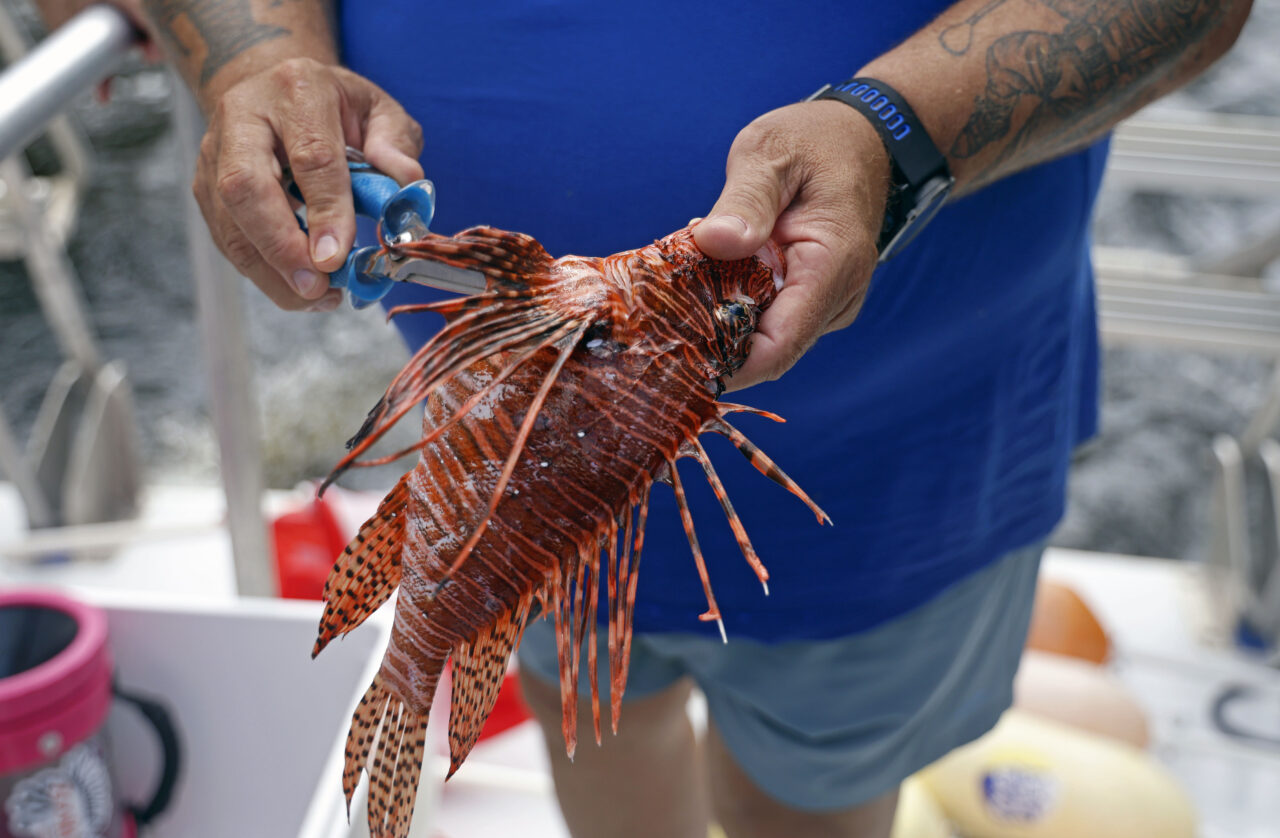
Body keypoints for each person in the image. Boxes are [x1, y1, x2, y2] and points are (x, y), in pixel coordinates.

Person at [77, 1, 1250, 835]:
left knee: (810, 797)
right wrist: (258, 59)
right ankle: (422, 684)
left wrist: (891, 136)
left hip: (897, 462)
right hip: (511, 479)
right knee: (592, 718)